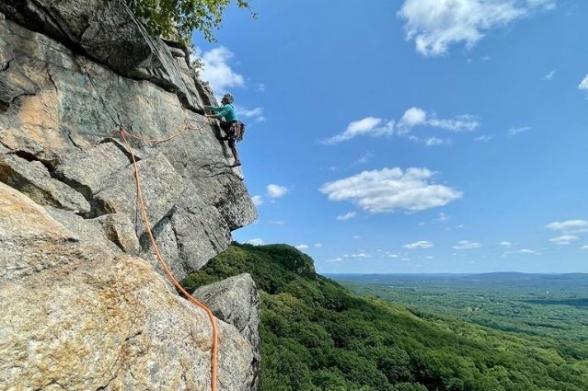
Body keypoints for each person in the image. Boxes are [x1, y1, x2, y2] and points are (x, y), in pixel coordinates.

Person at [206, 93, 241, 167]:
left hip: (234, 126)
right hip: (233, 125)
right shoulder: (228, 106)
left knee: (231, 143)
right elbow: (217, 109)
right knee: (222, 124)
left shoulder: (228, 107)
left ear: (225, 100)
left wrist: (208, 116)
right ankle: (228, 136)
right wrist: (208, 107)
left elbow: (219, 115)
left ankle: (237, 160)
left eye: (223, 100)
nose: (222, 101)